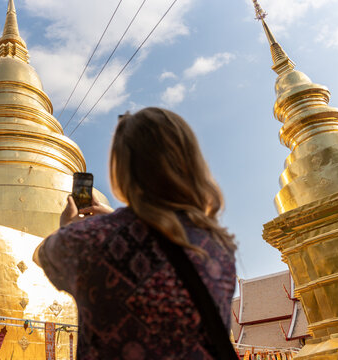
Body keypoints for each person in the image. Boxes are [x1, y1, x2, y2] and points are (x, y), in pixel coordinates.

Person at [34, 107, 237, 359]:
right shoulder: (220, 247)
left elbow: (40, 255)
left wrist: (72, 229)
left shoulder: (89, 240)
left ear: (121, 170)